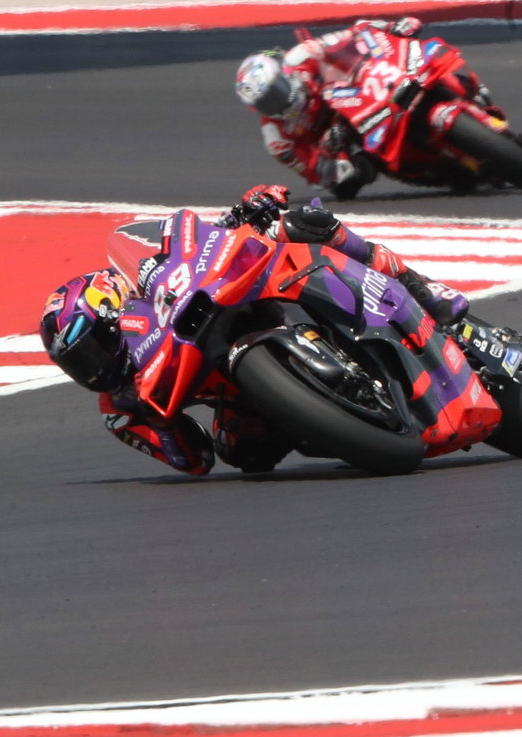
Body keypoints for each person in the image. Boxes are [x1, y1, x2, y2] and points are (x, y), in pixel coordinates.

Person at [38, 184, 470, 475]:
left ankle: (421, 287)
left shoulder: (148, 284)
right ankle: (338, 418)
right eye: (78, 364)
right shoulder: (120, 409)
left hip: (240, 299)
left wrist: (245, 212)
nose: (93, 369)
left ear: (115, 307)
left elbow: (189, 247)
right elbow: (196, 461)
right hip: (239, 394)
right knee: (241, 453)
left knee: (301, 226)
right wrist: (163, 427)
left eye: (93, 347)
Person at [234, 17, 479, 199]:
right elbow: (317, 172)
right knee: (354, 179)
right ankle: (442, 170)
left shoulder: (302, 55)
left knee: (423, 63)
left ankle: (468, 92)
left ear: (285, 73)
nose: (278, 102)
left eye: (277, 91)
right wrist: (335, 160)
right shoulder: (277, 141)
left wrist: (392, 27)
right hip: (352, 137)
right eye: (267, 102)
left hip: (363, 89)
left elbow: (356, 33)